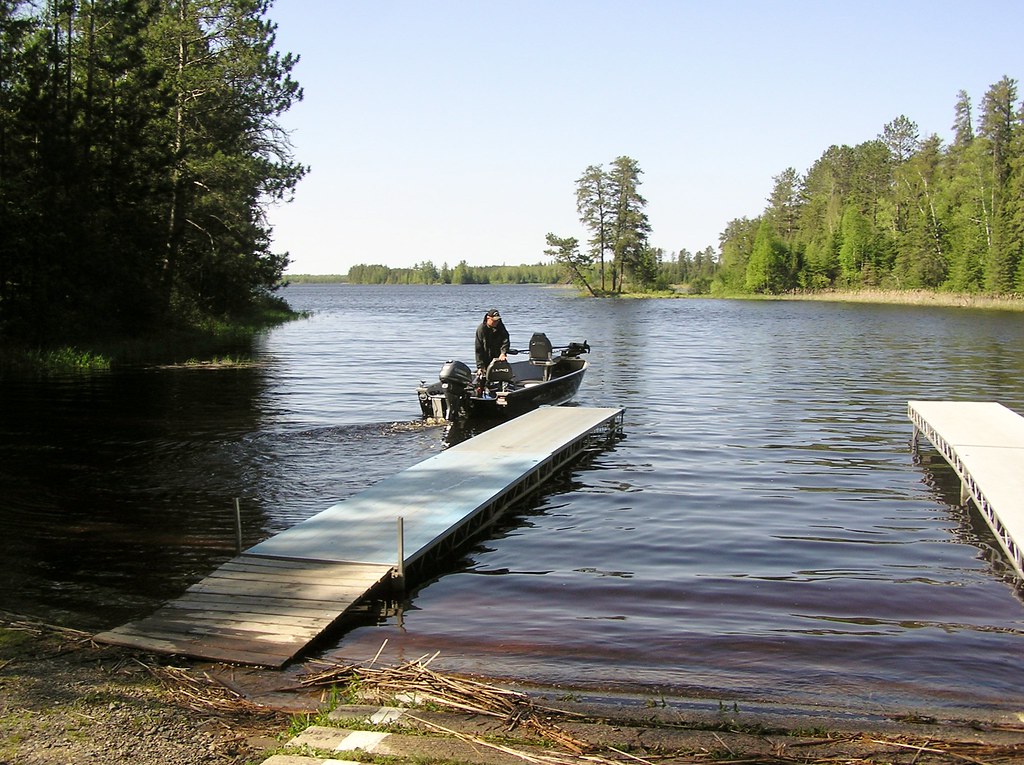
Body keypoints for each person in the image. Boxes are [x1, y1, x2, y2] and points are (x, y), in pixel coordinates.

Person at [474, 308, 510, 375]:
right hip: (485, 358)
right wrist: (480, 366)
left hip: (498, 358)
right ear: (488, 318)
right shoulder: (481, 329)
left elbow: (506, 340)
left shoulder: (500, 326)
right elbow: (478, 349)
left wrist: (503, 352)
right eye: (494, 320)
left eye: (498, 320)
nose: (496, 322)